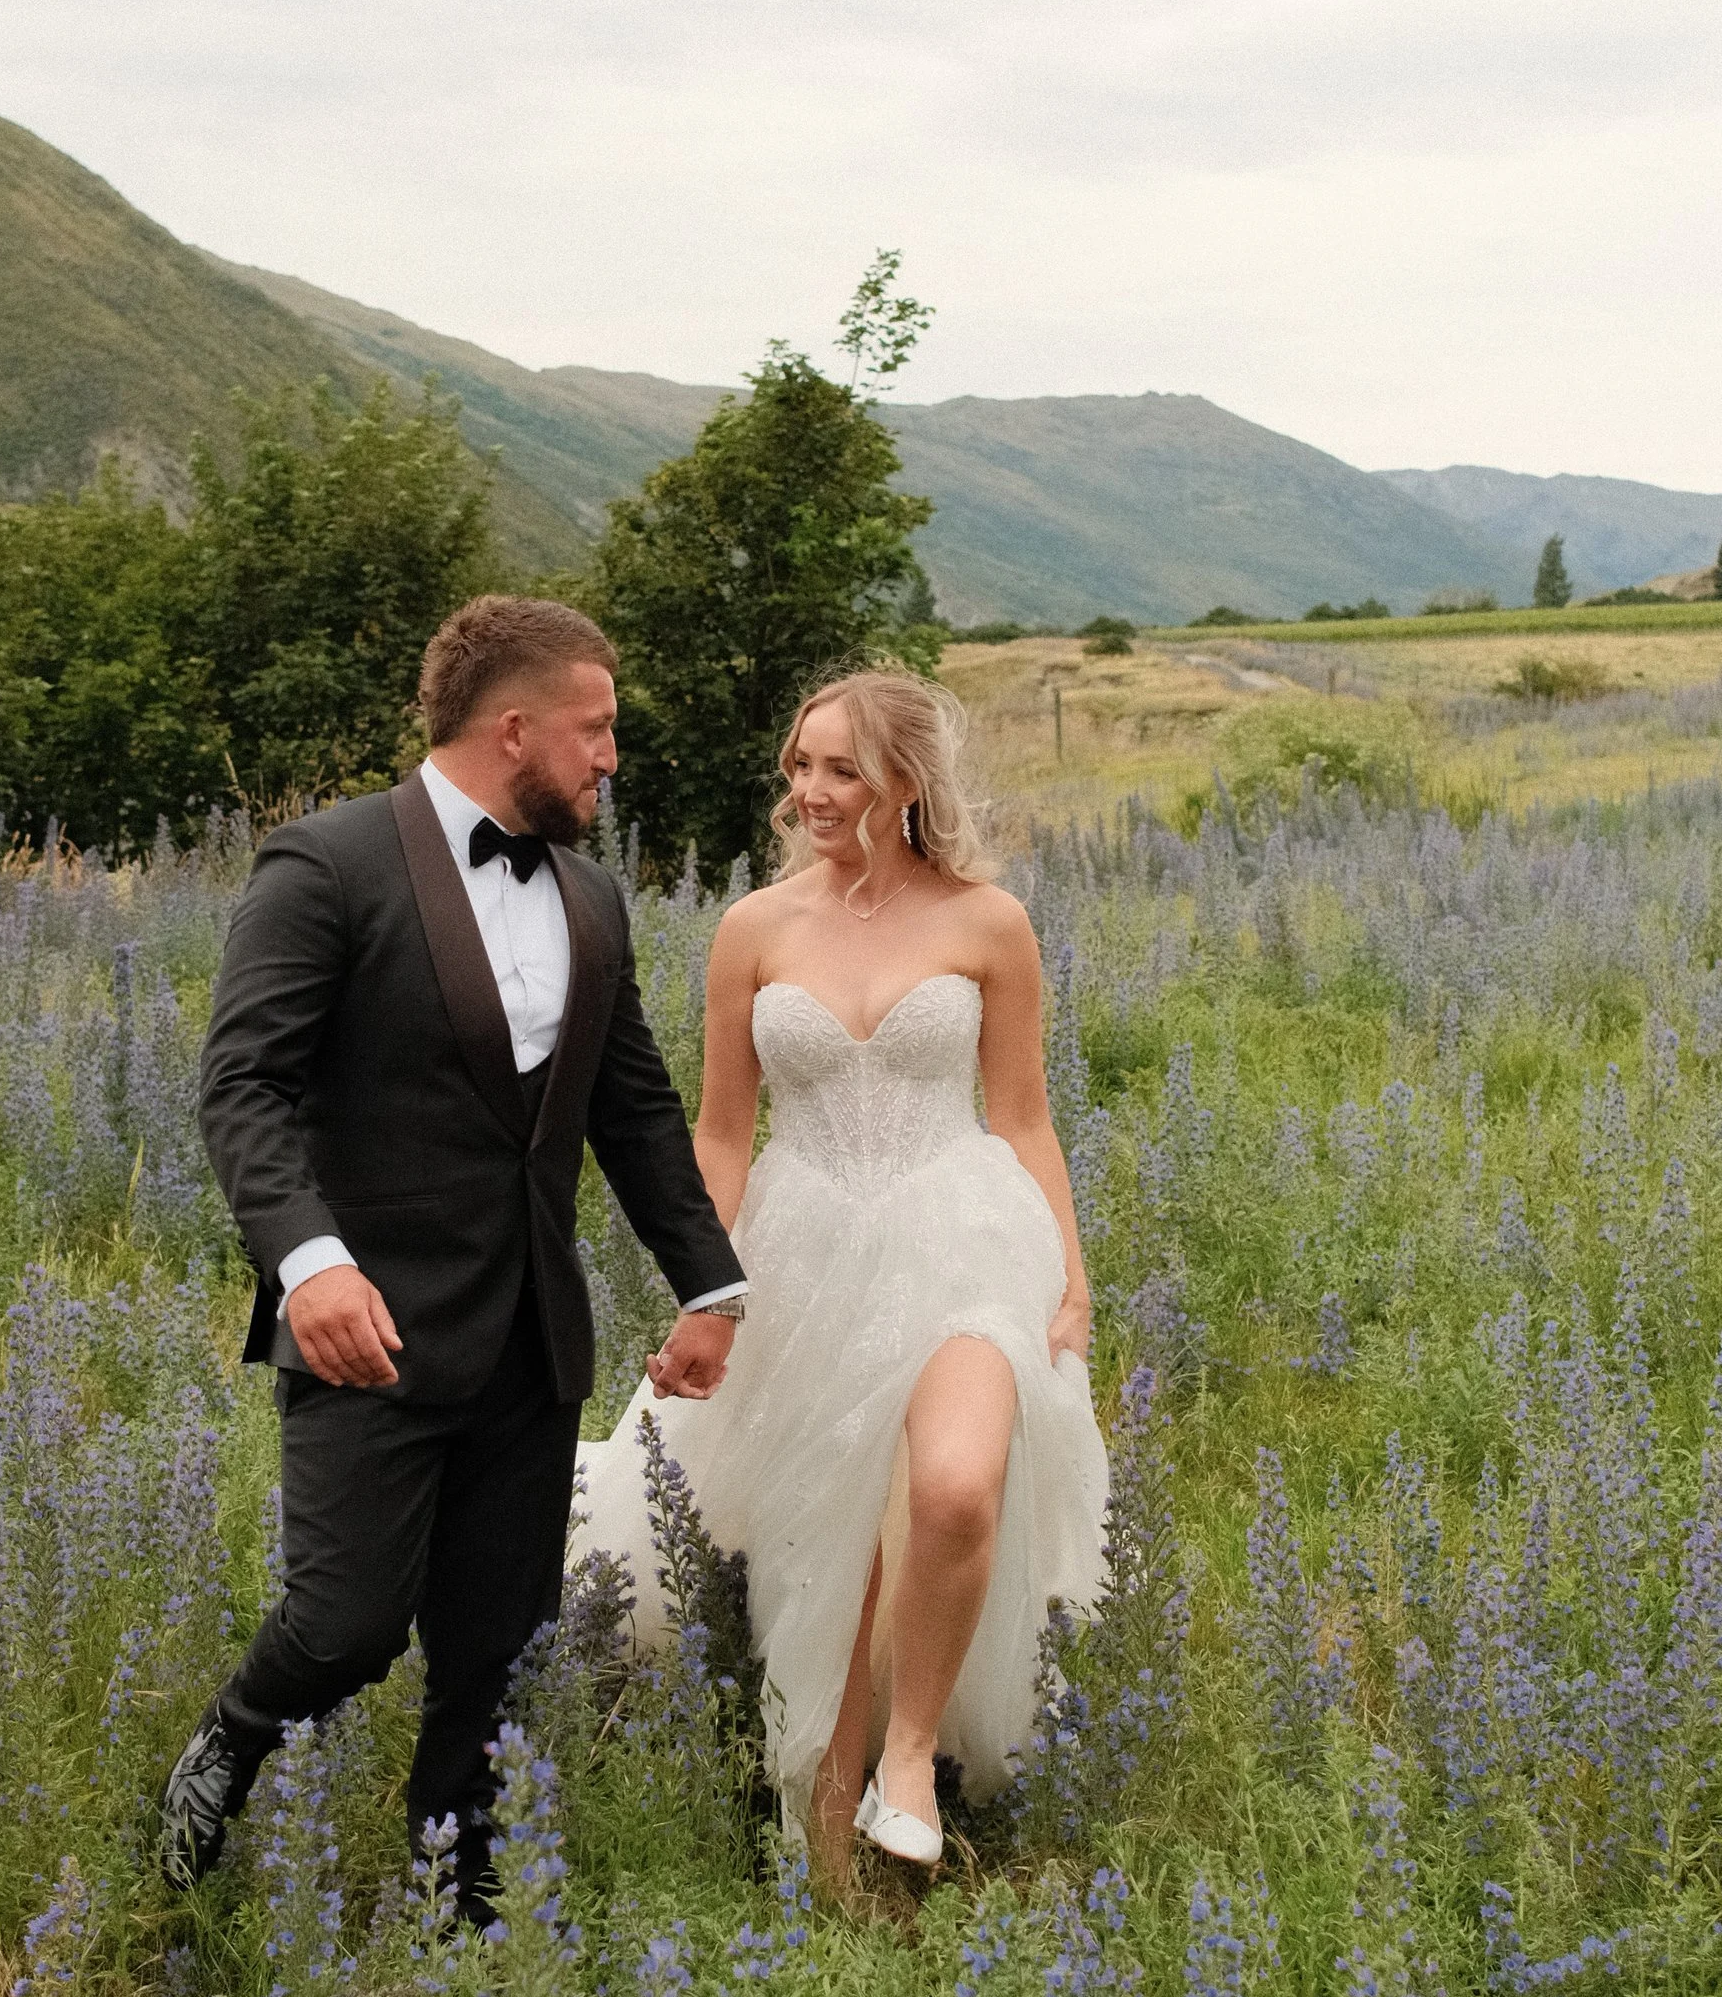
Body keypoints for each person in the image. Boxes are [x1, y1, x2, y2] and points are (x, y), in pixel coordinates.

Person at [159, 594, 745, 1905]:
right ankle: (235, 1733)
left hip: (532, 1335)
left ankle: (459, 1901)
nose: (611, 757)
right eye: (596, 730)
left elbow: (633, 1106)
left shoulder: (592, 898)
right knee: (346, 1624)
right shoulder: (326, 865)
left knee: (500, 1647)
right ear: (515, 727)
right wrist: (308, 1262)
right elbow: (243, 1086)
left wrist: (709, 1281)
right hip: (367, 1327)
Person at [572, 667, 1106, 1881]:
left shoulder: (989, 922)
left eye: (839, 769)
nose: (807, 791)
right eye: (798, 766)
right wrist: (706, 1292)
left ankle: (910, 1756)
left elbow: (1022, 1118)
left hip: (963, 1232)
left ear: (905, 783)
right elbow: (720, 1134)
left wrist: (1069, 1278)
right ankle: (828, 1832)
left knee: (957, 1488)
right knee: (830, 1542)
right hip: (801, 1247)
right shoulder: (755, 930)